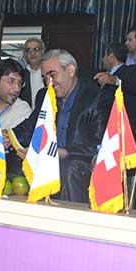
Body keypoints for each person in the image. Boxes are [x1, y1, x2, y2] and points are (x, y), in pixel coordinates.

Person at [13, 49, 115, 203]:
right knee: (13, 165)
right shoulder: (45, 95)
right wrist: (6, 136)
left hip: (79, 164)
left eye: (52, 75)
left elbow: (99, 145)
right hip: (46, 161)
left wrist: (61, 153)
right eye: (45, 78)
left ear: (70, 70)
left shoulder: (97, 97)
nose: (49, 82)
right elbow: (29, 128)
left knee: (67, 168)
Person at [94, 42, 136, 135]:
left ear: (111, 56)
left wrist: (116, 81)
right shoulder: (101, 75)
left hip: (125, 127)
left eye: (104, 56)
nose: (102, 59)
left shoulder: (133, 70)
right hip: (102, 127)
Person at [19, 37, 45, 108]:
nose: (32, 53)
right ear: (25, 53)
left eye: (36, 49)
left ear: (42, 51)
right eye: (28, 50)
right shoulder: (21, 75)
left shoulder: (48, 74)